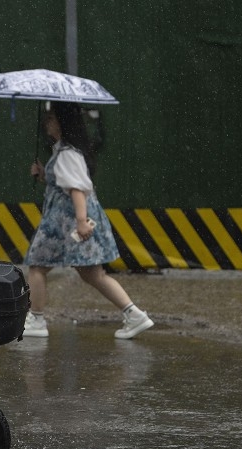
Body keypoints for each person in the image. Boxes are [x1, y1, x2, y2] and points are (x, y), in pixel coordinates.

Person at [22, 101, 153, 340]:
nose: (47, 124)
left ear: (61, 123)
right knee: (92, 274)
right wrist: (43, 175)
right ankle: (134, 315)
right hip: (66, 220)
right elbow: (65, 185)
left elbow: (77, 190)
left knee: (37, 266)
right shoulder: (65, 150)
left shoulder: (67, 154)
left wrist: (81, 221)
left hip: (66, 222)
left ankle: (36, 320)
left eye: (50, 119)